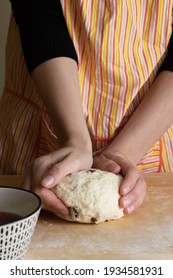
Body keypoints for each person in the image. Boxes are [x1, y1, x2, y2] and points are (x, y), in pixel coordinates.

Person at [0, 0, 173, 218]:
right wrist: (74, 138)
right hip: (38, 125)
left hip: (152, 125)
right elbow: (36, 10)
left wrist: (124, 153)